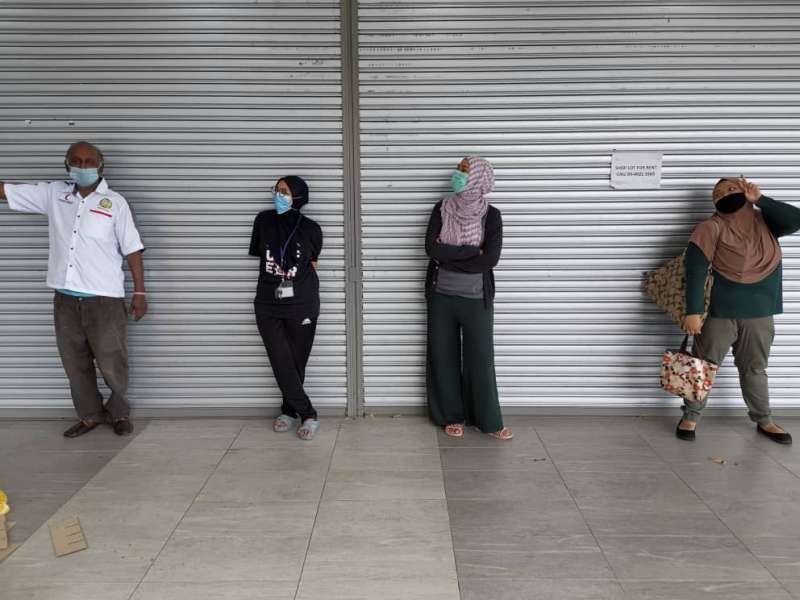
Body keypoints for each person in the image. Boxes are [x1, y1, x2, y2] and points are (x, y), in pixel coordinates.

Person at [0, 141, 146, 437]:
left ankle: (118, 413)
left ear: (100, 165)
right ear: (67, 164)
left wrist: (140, 293)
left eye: (89, 161)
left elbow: (132, 249)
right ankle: (90, 415)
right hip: (65, 299)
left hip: (104, 299)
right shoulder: (54, 194)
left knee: (112, 362)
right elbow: (6, 191)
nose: (83, 167)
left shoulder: (114, 203)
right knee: (74, 362)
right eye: (76, 161)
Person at [678, 176, 800, 444]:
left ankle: (764, 419)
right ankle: (690, 416)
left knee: (755, 368)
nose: (726, 193)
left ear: (746, 192)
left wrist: (762, 200)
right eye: (719, 192)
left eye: (733, 188)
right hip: (719, 313)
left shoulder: (765, 221)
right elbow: (696, 270)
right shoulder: (710, 227)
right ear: (715, 202)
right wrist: (693, 312)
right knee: (701, 366)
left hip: (759, 312)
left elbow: (797, 219)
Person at [424, 156, 512, 440]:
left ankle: (488, 420)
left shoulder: (492, 215)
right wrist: (471, 253)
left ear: (477, 177)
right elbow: (432, 250)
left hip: (476, 299)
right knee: (443, 356)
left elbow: (491, 259)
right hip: (441, 297)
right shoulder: (442, 209)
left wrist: (452, 255)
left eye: (463, 171)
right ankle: (451, 416)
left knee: (481, 358)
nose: (457, 175)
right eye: (459, 170)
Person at [249, 176, 323, 440]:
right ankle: (309, 413)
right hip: (267, 302)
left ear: (299, 197)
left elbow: (312, 266)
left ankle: (289, 411)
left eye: (284, 191)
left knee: (295, 362)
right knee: (280, 358)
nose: (278, 195)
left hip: (302, 303)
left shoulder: (312, 228)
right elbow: (261, 255)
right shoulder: (263, 221)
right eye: (276, 190)